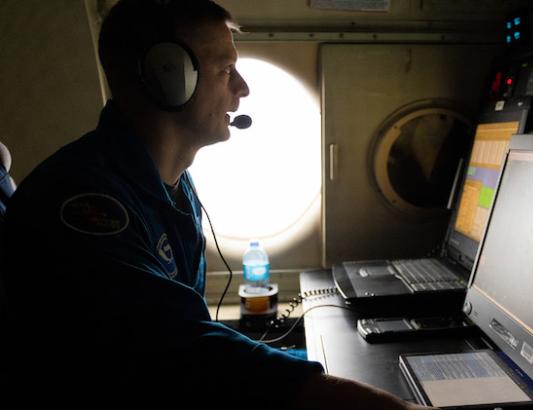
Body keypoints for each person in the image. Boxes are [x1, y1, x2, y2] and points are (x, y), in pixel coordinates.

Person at [0, 1, 433, 408]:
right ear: (167, 77)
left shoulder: (170, 184)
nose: (242, 88)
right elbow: (181, 351)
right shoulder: (86, 207)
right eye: (226, 69)